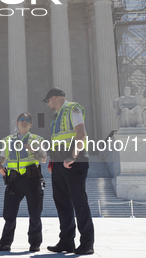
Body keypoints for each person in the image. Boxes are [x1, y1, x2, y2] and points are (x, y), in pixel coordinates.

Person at [43, 87, 94, 255]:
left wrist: (73, 155)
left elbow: (81, 134)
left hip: (73, 161)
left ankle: (87, 243)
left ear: (55, 98)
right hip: (59, 162)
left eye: (48, 101)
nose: (48, 104)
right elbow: (57, 142)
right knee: (62, 203)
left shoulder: (73, 109)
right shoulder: (56, 117)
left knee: (79, 202)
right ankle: (66, 241)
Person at [0, 113, 47, 252]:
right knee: (9, 214)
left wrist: (33, 150)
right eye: (22, 120)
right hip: (14, 180)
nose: (24, 122)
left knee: (35, 214)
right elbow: (2, 158)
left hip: (32, 180)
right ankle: (5, 243)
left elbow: (43, 159)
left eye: (27, 120)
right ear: (17, 122)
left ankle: (35, 243)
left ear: (31, 124)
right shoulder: (7, 140)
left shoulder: (37, 139)